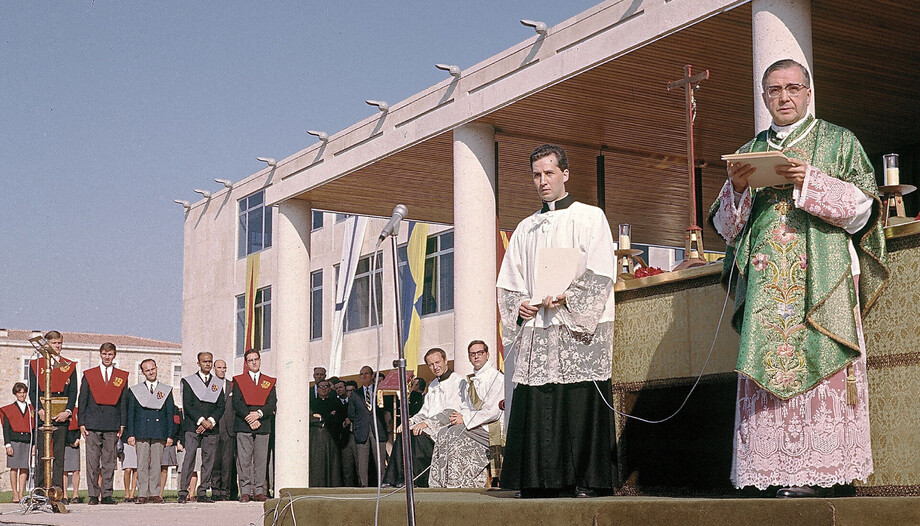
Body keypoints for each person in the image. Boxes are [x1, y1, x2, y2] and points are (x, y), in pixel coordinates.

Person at [709, 58, 888, 498]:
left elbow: (864, 207)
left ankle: (827, 470)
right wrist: (736, 188)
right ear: (764, 96)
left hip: (822, 278)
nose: (784, 97)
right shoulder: (750, 150)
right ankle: (773, 470)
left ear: (808, 92)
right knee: (770, 364)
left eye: (792, 88)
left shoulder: (838, 141)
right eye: (774, 90)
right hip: (769, 283)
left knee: (823, 359)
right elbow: (725, 228)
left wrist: (810, 180)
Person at [497, 144, 617, 498]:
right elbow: (509, 281)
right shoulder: (525, 227)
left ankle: (588, 480)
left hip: (575, 328)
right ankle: (538, 480)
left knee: (578, 400)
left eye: (549, 173)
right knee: (540, 401)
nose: (543, 181)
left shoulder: (590, 217)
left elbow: (600, 271)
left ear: (565, 174)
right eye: (536, 175)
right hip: (539, 327)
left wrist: (567, 297)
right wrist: (520, 305)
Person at [382, 349, 462, 488]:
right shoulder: (432, 385)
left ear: (445, 361)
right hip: (429, 425)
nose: (435, 367)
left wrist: (426, 423)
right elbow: (425, 411)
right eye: (431, 364)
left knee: (418, 435)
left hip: (446, 426)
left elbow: (452, 410)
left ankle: (417, 480)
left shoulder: (457, 381)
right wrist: (410, 421)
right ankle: (394, 478)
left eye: (437, 362)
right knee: (404, 433)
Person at [430, 341, 505, 488]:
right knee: (443, 432)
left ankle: (458, 482)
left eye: (480, 353)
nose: (476, 356)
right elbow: (465, 406)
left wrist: (464, 419)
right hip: (474, 425)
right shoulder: (470, 380)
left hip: (491, 429)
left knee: (454, 433)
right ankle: (441, 482)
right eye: (472, 354)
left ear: (487, 354)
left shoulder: (497, 378)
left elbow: (493, 412)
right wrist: (459, 416)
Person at [77, 341, 129, 505]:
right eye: (105, 354)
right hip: (92, 423)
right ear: (100, 354)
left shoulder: (120, 377)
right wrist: (82, 422)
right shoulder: (89, 374)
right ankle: (93, 494)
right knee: (92, 461)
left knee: (109, 461)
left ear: (114, 355)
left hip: (112, 423)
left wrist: (122, 424)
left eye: (110, 354)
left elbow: (123, 402)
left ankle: (107, 494)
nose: (107, 357)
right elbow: (82, 399)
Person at [29, 330, 78, 491]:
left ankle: (57, 491)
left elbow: (73, 391)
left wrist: (68, 411)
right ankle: (40, 490)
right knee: (43, 454)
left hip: (61, 415)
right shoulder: (36, 364)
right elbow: (33, 390)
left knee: (58, 455)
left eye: (59, 343)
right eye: (54, 343)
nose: (57, 346)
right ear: (46, 344)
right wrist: (39, 410)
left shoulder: (68, 365)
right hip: (44, 414)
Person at [125, 358, 176, 504]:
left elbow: (169, 413)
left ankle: (154, 493)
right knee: (141, 463)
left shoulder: (165, 390)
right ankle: (142, 493)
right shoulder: (135, 390)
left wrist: (170, 435)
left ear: (156, 368)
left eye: (152, 369)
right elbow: (131, 414)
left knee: (156, 463)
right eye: (147, 370)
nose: (151, 372)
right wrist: (131, 434)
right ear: (142, 372)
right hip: (141, 430)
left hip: (160, 431)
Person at [177, 352, 224, 504]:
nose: (207, 364)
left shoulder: (217, 383)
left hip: (211, 427)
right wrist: (201, 421)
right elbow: (188, 405)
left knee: (209, 460)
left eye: (210, 361)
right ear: (198, 363)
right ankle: (183, 492)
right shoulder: (189, 381)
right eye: (204, 362)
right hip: (193, 426)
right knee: (189, 459)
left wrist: (210, 421)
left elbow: (220, 405)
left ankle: (203, 491)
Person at [232, 349, 276, 502]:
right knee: (244, 460)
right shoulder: (238, 380)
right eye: (250, 360)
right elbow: (236, 402)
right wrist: (250, 418)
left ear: (260, 360)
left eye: (256, 359)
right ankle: (245, 491)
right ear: (246, 363)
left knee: (261, 459)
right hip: (244, 424)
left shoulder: (269, 381)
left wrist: (259, 414)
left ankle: (258, 491)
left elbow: (272, 403)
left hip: (263, 424)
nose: (254, 362)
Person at [347, 366, 389, 487]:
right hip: (362, 431)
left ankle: (382, 485)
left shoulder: (379, 390)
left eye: (366, 374)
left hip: (378, 429)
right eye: (361, 374)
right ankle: (363, 486)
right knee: (362, 462)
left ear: (372, 376)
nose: (364, 376)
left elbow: (385, 409)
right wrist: (360, 423)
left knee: (380, 461)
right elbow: (351, 413)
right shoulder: (355, 394)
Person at [210, 359, 238, 501]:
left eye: (224, 368)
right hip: (214, 427)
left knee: (227, 462)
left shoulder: (232, 385)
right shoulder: (209, 384)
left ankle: (225, 492)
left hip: (229, 428)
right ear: (214, 368)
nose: (222, 370)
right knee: (215, 461)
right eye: (219, 367)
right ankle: (215, 490)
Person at [2, 382, 34, 503]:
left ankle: (21, 493)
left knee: (24, 468)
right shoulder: (8, 409)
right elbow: (6, 428)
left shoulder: (31, 409)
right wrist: (8, 444)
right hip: (14, 441)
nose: (22, 394)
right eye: (20, 392)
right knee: (14, 468)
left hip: (27, 441)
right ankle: (14, 493)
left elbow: (34, 428)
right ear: (15, 393)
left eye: (24, 392)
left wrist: (34, 445)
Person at [309, 380, 343, 487]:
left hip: (331, 437)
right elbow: (310, 418)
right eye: (321, 386)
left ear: (329, 388)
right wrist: (327, 417)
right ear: (317, 389)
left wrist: (322, 418)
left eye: (326, 386)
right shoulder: (312, 402)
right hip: (316, 438)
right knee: (317, 463)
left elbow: (337, 418)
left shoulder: (335, 402)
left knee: (333, 464)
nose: (323, 388)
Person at [63, 407, 83, 504]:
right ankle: (65, 495)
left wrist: (77, 439)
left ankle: (75, 494)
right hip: (64, 442)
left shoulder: (76, 410)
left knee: (76, 470)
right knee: (64, 471)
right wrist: (70, 441)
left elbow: (80, 425)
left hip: (75, 441)